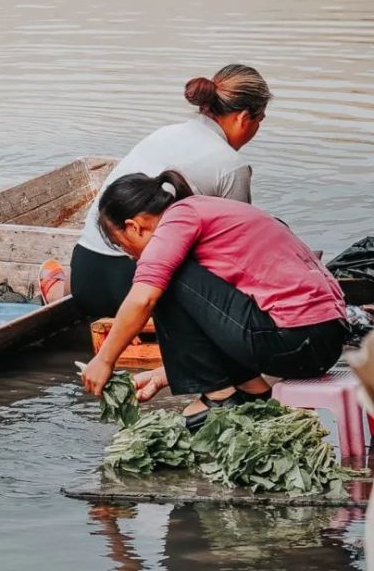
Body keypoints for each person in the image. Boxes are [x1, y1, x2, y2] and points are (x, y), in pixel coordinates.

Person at [79, 171, 346, 429]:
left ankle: (219, 398)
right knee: (164, 274)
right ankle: (253, 391)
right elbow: (217, 315)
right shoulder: (205, 209)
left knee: (159, 278)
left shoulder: (179, 219)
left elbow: (143, 299)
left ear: (133, 226)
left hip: (295, 339)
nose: (130, 256)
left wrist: (104, 360)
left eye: (122, 245)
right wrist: (166, 373)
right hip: (324, 340)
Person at [66, 64, 271, 318]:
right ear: (243, 117)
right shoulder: (231, 166)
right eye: (260, 119)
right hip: (138, 291)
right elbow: (238, 253)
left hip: (85, 278)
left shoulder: (164, 134)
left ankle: (58, 291)